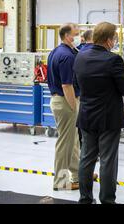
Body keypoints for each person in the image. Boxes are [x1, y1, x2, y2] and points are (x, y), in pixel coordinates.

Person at [74, 22, 124, 204]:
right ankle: (107, 200)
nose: (115, 41)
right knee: (107, 160)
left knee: (86, 158)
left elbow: (77, 85)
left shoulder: (80, 58)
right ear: (108, 40)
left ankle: (85, 198)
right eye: (114, 38)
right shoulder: (113, 60)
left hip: (86, 115)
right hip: (108, 119)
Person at [47, 23, 82, 191]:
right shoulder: (67, 56)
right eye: (76, 35)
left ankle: (78, 174)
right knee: (64, 144)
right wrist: (74, 107)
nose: (78, 38)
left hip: (59, 100)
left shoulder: (55, 51)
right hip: (66, 101)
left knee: (72, 141)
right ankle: (60, 182)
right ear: (68, 37)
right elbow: (67, 85)